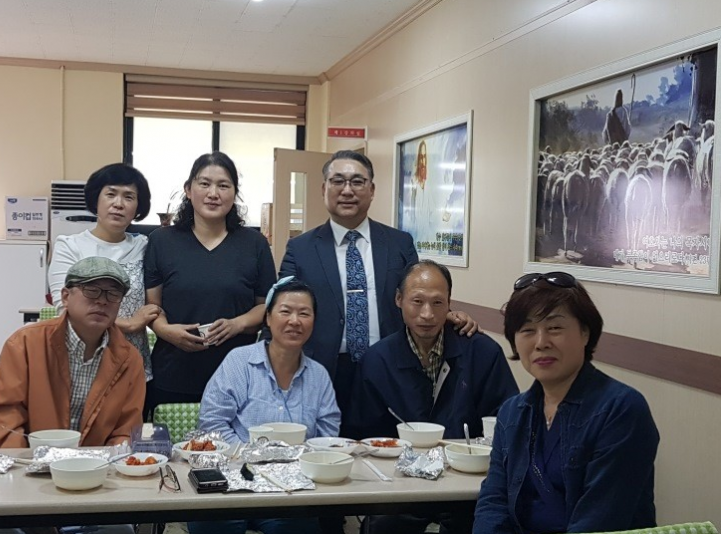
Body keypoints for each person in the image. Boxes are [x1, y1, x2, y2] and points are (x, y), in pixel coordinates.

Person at [279, 150, 478, 437]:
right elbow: (282, 307)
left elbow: (416, 294)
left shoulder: (399, 242)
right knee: (328, 446)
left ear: (372, 190)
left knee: (388, 445)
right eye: (338, 181)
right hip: (324, 369)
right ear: (324, 189)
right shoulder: (301, 248)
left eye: (357, 181)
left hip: (390, 368)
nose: (347, 190)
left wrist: (446, 314)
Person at [473, 272, 659, 534]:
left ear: (585, 332)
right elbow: (494, 500)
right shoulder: (512, 413)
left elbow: (600, 521)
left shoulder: (621, 410)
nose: (541, 343)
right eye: (527, 330)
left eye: (555, 328)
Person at [354, 260, 518, 534]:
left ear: (450, 303)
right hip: (399, 488)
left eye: (438, 303)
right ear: (398, 300)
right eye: (417, 301)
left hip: (467, 487)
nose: (427, 314)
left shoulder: (481, 352)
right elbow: (363, 434)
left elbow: (506, 424)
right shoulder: (377, 360)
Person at [190, 277, 336, 534]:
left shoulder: (318, 376)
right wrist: (249, 458)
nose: (294, 321)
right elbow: (212, 423)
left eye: (304, 313)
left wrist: (296, 464)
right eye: (285, 311)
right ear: (268, 317)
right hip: (232, 480)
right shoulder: (239, 362)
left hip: (291, 489)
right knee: (213, 524)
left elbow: (328, 433)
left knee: (298, 527)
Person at [145, 151, 277, 410]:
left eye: (223, 185)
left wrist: (237, 324)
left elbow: (266, 306)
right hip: (173, 373)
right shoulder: (161, 241)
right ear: (188, 189)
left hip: (239, 374)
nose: (213, 193)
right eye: (204, 183)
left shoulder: (255, 244)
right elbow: (152, 305)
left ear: (234, 193)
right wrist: (165, 331)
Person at [0, 256, 145, 448]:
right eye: (91, 291)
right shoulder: (24, 344)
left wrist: (106, 462)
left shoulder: (130, 360)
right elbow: (2, 419)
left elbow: (126, 430)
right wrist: (24, 461)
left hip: (98, 464)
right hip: (31, 462)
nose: (102, 301)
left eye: (113, 294)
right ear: (66, 297)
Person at [48, 163, 160, 419]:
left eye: (128, 197)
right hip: (80, 366)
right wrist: (130, 324)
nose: (118, 204)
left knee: (130, 438)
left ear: (138, 207)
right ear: (96, 200)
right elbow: (64, 309)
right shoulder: (70, 246)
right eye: (111, 194)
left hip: (134, 369)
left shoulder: (145, 246)